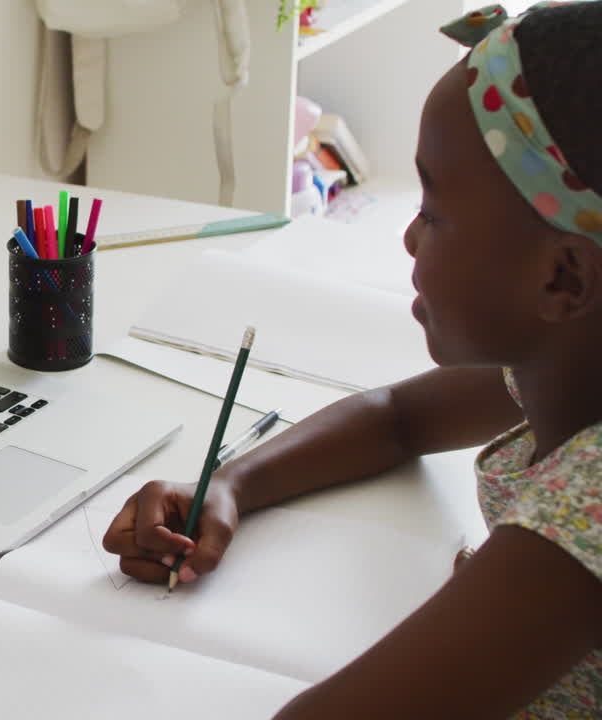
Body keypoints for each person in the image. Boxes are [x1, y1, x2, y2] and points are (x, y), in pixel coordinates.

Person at [102, 3, 602, 717]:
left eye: (433, 211)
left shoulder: (581, 519)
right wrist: (232, 485)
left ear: (565, 279)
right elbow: (396, 418)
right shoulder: (570, 359)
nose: (407, 237)